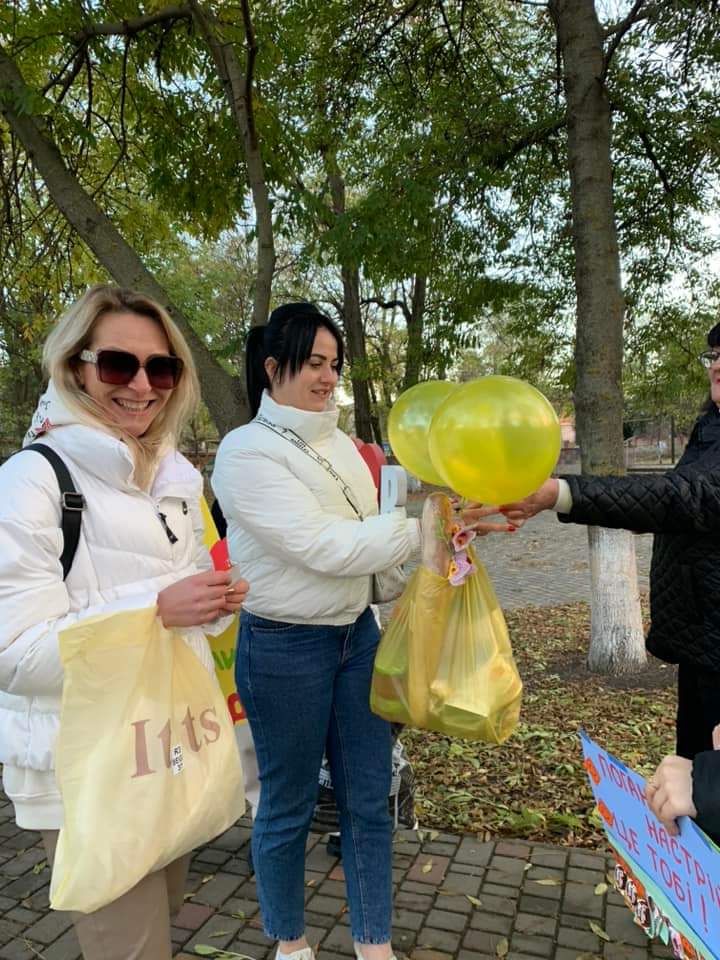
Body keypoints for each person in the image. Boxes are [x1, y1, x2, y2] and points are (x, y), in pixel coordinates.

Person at [212, 302, 513, 960]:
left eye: (333, 364)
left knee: (369, 799)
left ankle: (374, 943)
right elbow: (326, 547)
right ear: (273, 366)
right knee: (288, 807)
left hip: (358, 639)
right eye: (314, 362)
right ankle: (291, 943)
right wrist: (422, 529)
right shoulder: (243, 453)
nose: (327, 377)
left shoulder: (344, 446)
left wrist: (441, 535)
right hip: (285, 647)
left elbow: (368, 548)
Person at [0, 284, 249, 960]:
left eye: (161, 368)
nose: (143, 385)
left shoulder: (175, 479)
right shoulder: (31, 480)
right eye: (118, 365)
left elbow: (184, 612)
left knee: (161, 920)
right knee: (131, 947)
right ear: (74, 366)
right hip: (84, 769)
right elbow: (14, 653)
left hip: (164, 747)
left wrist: (214, 605)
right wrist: (158, 613)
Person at [468, 321, 720, 769]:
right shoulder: (712, 429)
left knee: (708, 791)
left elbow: (683, 498)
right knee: (695, 783)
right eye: (715, 355)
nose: (718, 365)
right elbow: (684, 509)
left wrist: (560, 494)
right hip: (704, 642)